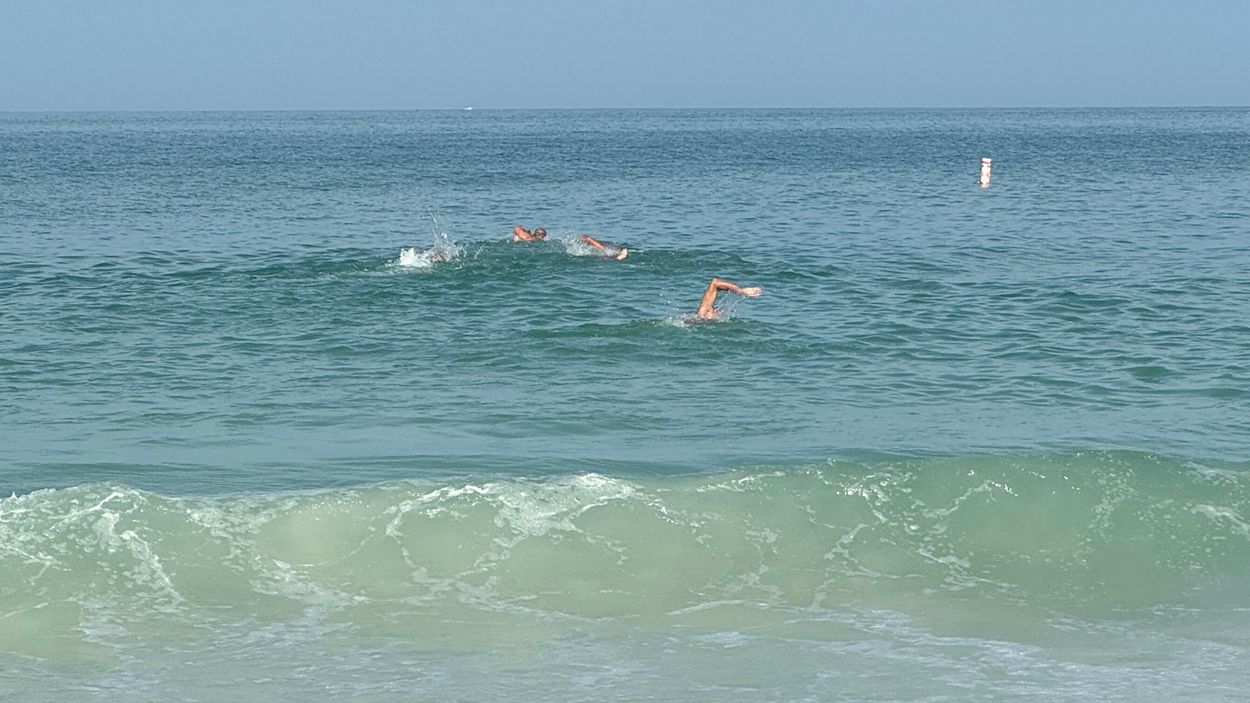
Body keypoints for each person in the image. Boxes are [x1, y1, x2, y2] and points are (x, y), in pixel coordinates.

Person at [694, 278, 762, 320]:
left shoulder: (702, 317)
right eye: (718, 311)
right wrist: (740, 291)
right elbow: (715, 283)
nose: (720, 311)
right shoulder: (704, 314)